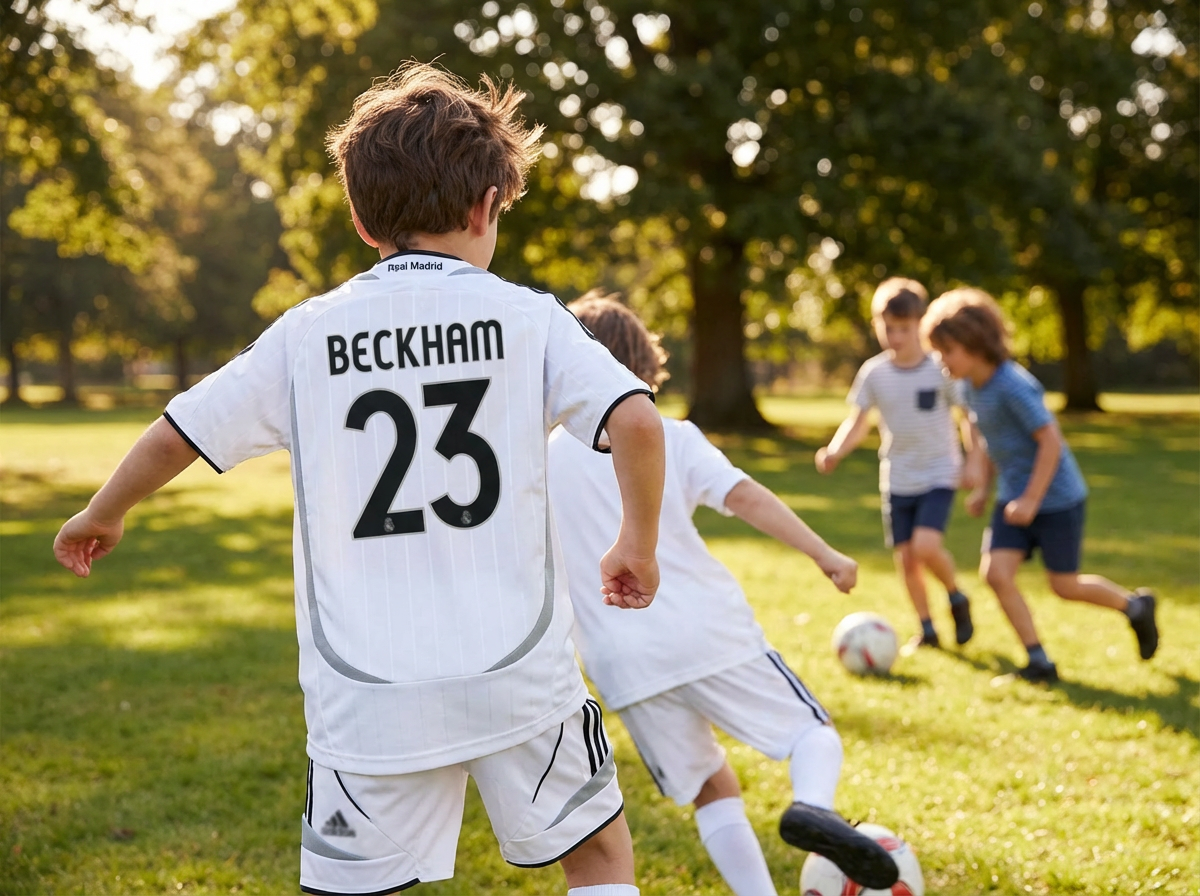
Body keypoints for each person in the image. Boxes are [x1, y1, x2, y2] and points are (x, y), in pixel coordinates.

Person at [52, 65, 667, 896]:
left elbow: (179, 432)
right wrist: (637, 542)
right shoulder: (528, 316)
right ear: (487, 206)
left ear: (358, 217)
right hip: (519, 676)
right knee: (597, 859)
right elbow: (635, 418)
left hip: (368, 694)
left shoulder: (308, 333)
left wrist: (104, 511)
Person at [546, 294, 901, 895]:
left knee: (713, 785)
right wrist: (825, 553)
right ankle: (812, 806)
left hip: (621, 661)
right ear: (639, 368)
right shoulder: (666, 435)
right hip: (710, 633)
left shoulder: (539, 460)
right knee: (811, 736)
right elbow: (745, 497)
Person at [921, 287, 1158, 682]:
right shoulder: (967, 387)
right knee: (996, 573)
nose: (939, 360)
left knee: (1064, 585)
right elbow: (982, 432)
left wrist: (1032, 499)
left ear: (975, 344)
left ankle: (1134, 607)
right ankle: (1039, 661)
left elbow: (1050, 440)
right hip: (1014, 496)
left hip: (1056, 499)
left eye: (946, 350)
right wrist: (981, 483)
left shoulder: (1012, 385)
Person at [816, 278, 975, 650]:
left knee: (925, 546)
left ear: (921, 323)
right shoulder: (874, 373)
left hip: (938, 472)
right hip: (898, 477)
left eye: (904, 328)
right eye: (888, 327)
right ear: (877, 325)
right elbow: (857, 421)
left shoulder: (940, 367)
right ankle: (928, 629)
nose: (896, 335)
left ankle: (955, 595)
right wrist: (836, 451)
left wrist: (972, 462)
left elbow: (969, 415)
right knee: (906, 559)